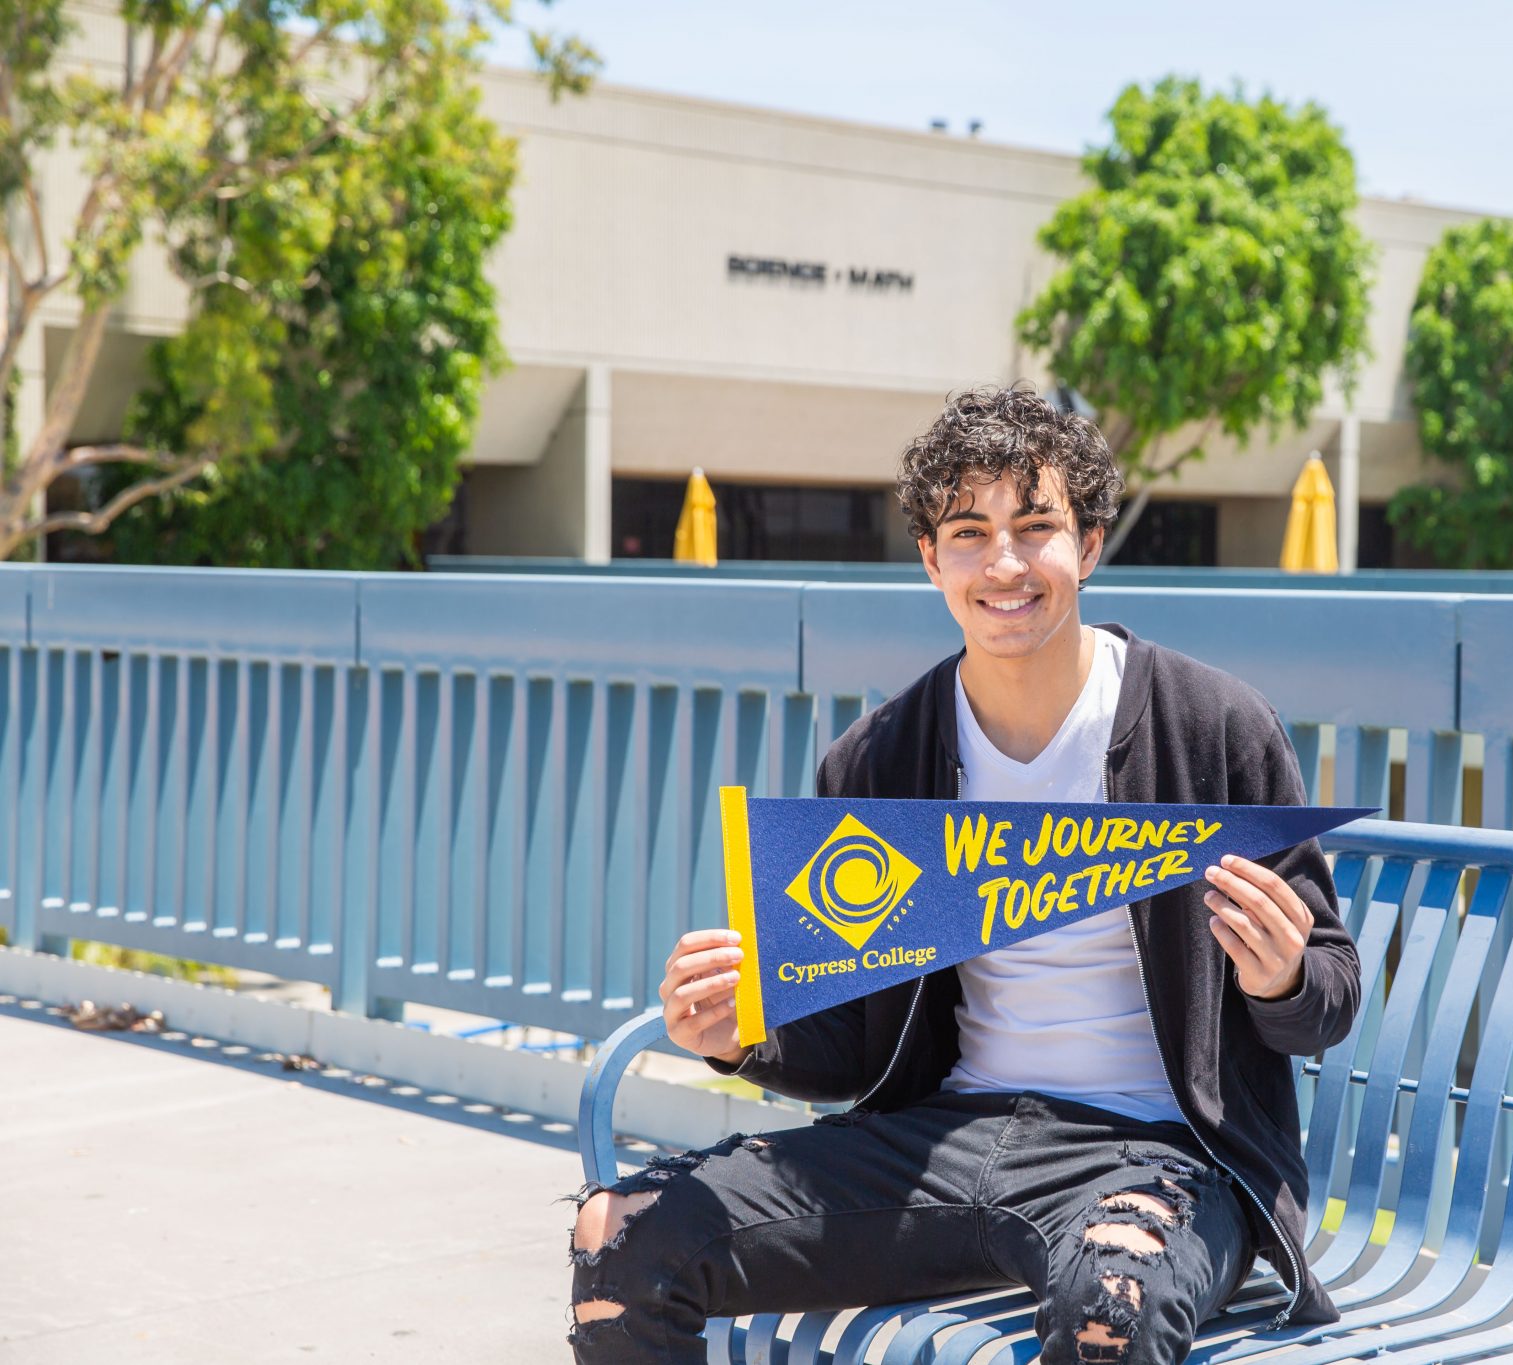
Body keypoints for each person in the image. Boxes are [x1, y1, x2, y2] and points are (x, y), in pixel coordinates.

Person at [566, 385, 1360, 1365]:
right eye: (968, 531)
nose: (1005, 564)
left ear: (1091, 544)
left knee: (1107, 1313)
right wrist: (741, 1037)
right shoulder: (876, 760)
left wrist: (1279, 976)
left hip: (1155, 1158)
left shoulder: (1210, 725)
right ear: (929, 558)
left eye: (1036, 527)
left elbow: (1326, 999)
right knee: (622, 1240)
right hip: (936, 1145)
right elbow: (852, 1052)